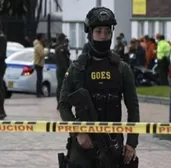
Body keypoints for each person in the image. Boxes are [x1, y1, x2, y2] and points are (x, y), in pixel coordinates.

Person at [59, 6, 139, 168]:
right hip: (82, 149)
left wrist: (131, 143)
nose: (103, 36)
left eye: (107, 32)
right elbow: (63, 106)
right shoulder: (77, 69)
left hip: (113, 146)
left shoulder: (122, 69)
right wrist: (78, 132)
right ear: (90, 33)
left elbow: (133, 108)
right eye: (98, 31)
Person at [55, 33, 70, 109]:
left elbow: (67, 55)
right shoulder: (60, 48)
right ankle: (60, 103)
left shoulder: (63, 47)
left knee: (62, 87)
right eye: (64, 38)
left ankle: (62, 102)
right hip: (61, 70)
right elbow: (63, 61)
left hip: (62, 69)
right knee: (60, 87)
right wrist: (66, 71)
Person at [33, 33, 48, 97]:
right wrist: (46, 51)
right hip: (38, 64)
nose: (44, 39)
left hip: (39, 64)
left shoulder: (40, 45)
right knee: (39, 79)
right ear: (40, 38)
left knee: (40, 79)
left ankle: (39, 92)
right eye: (43, 37)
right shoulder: (38, 46)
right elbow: (42, 54)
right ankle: (38, 93)